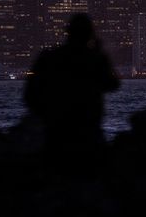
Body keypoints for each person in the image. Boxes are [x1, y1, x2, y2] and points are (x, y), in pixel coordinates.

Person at [24, 13, 120, 165]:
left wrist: (46, 116)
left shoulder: (48, 58)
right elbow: (113, 84)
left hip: (55, 133)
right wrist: (98, 53)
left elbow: (29, 95)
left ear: (68, 32)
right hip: (89, 134)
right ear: (90, 34)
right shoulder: (95, 59)